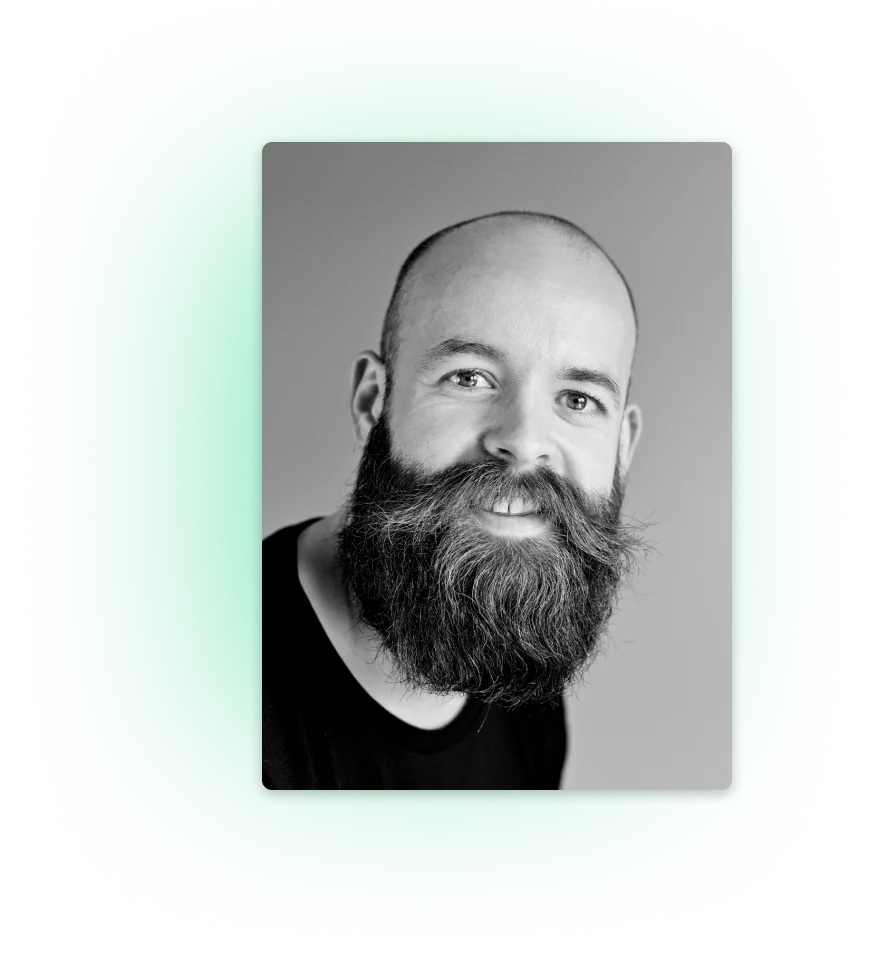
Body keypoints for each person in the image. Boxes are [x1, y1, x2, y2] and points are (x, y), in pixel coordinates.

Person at [262, 210, 644, 791]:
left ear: (623, 446)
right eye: (469, 378)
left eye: (578, 399)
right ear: (372, 403)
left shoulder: (517, 671)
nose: (524, 442)